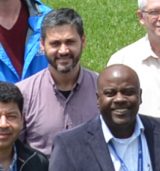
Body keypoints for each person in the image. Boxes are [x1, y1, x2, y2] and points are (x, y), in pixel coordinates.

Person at [16, 8, 100, 155]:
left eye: (70, 42)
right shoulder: (24, 94)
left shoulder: (103, 89)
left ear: (83, 41)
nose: (63, 51)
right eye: (55, 43)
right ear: (42, 45)